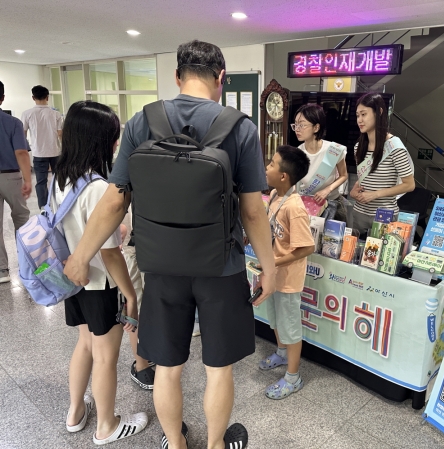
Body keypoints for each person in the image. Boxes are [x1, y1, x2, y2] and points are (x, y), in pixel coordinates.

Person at [63, 40, 276, 449]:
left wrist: (80, 256)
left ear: (177, 77)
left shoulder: (141, 123)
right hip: (222, 267)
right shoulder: (241, 127)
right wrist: (269, 268)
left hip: (160, 265)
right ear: (221, 78)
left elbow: (114, 201)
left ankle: (175, 443)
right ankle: (215, 445)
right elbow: (253, 212)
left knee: (167, 366)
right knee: (218, 368)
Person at [54, 101, 147, 444]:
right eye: (113, 136)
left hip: (73, 280)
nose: (116, 143)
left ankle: (76, 412)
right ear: (99, 140)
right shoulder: (97, 189)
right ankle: (107, 425)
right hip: (99, 284)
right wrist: (131, 294)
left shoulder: (61, 179)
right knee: (106, 356)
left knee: (84, 345)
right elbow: (109, 254)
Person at [260, 145, 314, 399]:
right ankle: (281, 353)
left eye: (271, 164)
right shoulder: (274, 195)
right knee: (275, 320)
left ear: (283, 176)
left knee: (290, 328)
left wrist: (276, 261)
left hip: (288, 279)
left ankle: (293, 378)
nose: (266, 167)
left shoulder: (295, 207)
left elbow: (307, 247)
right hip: (273, 275)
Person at [349, 93, 415, 238]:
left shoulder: (394, 147)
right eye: (357, 115)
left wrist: (375, 194)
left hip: (384, 215)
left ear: (379, 112)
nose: (359, 120)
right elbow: (365, 178)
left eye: (364, 114)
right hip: (359, 213)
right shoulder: (358, 147)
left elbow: (409, 185)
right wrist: (353, 192)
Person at [294, 104, 348, 221]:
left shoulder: (334, 150)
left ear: (316, 127)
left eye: (302, 124)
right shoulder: (297, 153)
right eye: (295, 124)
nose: (297, 128)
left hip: (332, 204)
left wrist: (328, 189)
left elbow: (344, 175)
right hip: (308, 205)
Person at [0, 80, 31, 283]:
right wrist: (28, 178)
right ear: (2, 98)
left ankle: (1, 270)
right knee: (21, 218)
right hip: (11, 176)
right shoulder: (12, 123)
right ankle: (27, 263)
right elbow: (21, 152)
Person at [118, 224, 155, 390]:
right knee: (136, 307)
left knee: (151, 304)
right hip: (133, 247)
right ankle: (141, 365)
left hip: (151, 246)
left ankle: (148, 354)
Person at [21, 85, 63, 209]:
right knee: (58, 180)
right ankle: (59, 204)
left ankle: (43, 208)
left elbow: (23, 134)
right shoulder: (56, 114)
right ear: (47, 97)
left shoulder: (27, 114)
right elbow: (60, 134)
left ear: (33, 98)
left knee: (41, 182)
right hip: (55, 151)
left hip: (38, 153)